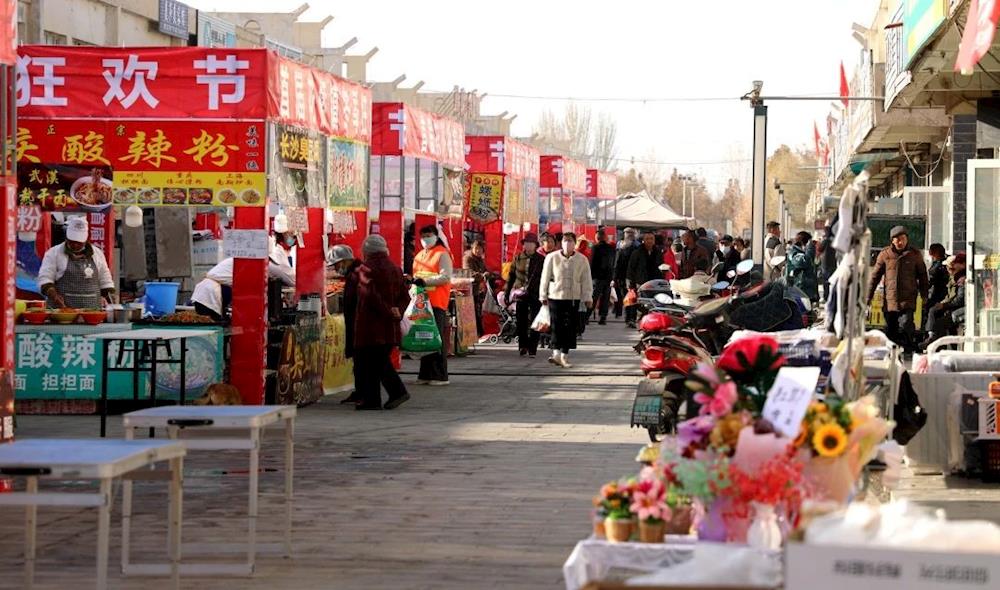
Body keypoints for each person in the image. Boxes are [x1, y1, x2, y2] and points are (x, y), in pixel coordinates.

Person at [353, 235, 411, 410]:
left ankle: (395, 393)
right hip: (390, 326)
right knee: (377, 361)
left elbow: (369, 295)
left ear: (367, 251)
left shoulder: (365, 269)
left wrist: (387, 311)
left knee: (374, 362)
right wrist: (397, 310)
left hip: (370, 325)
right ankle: (374, 400)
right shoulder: (395, 269)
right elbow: (405, 296)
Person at [867, 225, 928, 354]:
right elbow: (875, 277)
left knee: (906, 325)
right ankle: (892, 354)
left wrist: (924, 295)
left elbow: (923, 276)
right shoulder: (885, 254)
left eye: (903, 239)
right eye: (898, 239)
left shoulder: (914, 255)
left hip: (908, 299)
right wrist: (868, 297)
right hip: (890, 300)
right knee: (890, 330)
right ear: (892, 241)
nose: (901, 242)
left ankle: (908, 352)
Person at [191, 248, 296, 322]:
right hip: (209, 296)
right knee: (212, 329)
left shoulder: (242, 260)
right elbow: (291, 280)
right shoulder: (256, 263)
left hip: (206, 293)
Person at [38, 216, 115, 309]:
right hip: (62, 310)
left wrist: (110, 298)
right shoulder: (54, 253)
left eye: (79, 242)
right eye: (72, 241)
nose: (75, 245)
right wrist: (54, 296)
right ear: (66, 237)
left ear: (86, 239)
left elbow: (105, 279)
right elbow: (45, 279)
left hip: (92, 311)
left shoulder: (97, 254)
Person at [540, 232, 592, 368]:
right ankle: (556, 353)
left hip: (573, 297)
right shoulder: (552, 257)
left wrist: (587, 297)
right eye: (565, 240)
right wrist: (543, 295)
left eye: (570, 241)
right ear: (561, 243)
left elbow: (586, 279)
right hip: (555, 296)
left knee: (570, 327)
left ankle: (564, 355)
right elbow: (545, 277)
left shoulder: (582, 259)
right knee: (556, 325)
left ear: (575, 243)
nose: (567, 243)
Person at [413, 224, 453, 386]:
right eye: (423, 236)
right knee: (424, 338)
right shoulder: (420, 255)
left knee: (436, 339)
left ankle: (439, 375)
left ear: (436, 236)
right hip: (421, 303)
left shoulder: (442, 254)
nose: (425, 239)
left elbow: (445, 277)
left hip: (436, 302)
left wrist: (424, 281)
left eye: (428, 235)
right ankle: (425, 374)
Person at [331, 245, 365, 405]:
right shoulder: (354, 273)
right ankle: (360, 392)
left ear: (344, 261)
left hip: (361, 323)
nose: (336, 269)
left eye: (336, 265)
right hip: (356, 322)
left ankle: (365, 394)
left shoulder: (357, 274)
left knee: (363, 361)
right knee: (359, 361)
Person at [506, 233, 545, 357]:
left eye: (531, 243)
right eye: (526, 243)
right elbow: (511, 276)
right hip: (520, 293)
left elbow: (545, 277)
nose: (528, 245)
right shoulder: (518, 258)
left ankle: (533, 347)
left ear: (535, 245)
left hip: (535, 293)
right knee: (521, 320)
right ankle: (523, 345)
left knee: (535, 320)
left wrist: (545, 294)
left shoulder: (541, 259)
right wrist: (507, 293)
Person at [922, 251, 966, 348]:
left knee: (941, 322)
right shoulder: (956, 277)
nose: (950, 270)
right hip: (954, 306)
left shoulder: (961, 279)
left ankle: (936, 343)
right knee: (936, 314)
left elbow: (959, 299)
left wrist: (945, 305)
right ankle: (933, 339)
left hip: (961, 308)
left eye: (952, 267)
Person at [626, 232, 663, 327]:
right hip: (640, 282)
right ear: (643, 240)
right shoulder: (637, 252)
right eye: (647, 239)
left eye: (651, 239)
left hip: (654, 282)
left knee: (652, 302)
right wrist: (630, 283)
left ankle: (649, 320)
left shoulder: (658, 252)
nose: (649, 241)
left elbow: (661, 266)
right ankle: (632, 319)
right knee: (637, 302)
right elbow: (631, 268)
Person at [590, 230, 617, 325]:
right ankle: (603, 317)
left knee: (594, 297)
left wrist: (590, 276)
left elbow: (592, 263)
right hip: (608, 277)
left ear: (597, 238)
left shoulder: (595, 247)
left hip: (597, 277)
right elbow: (614, 263)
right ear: (605, 237)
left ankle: (587, 316)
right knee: (605, 298)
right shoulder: (611, 248)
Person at [463, 239, 489, 337]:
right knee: (473, 311)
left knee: (477, 311)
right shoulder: (467, 258)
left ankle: (479, 332)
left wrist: (488, 274)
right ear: (472, 248)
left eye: (480, 249)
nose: (478, 251)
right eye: (476, 248)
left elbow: (485, 270)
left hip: (477, 290)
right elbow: (468, 272)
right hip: (469, 289)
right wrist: (482, 276)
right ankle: (477, 332)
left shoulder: (480, 259)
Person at [614, 228, 640, 321]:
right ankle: (628, 317)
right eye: (627, 233)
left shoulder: (637, 246)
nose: (629, 234)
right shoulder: (620, 246)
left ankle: (631, 317)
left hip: (633, 276)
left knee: (633, 296)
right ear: (624, 234)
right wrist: (615, 277)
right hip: (622, 276)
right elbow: (617, 263)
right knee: (626, 296)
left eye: (631, 233)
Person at [786, 231, 819, 303]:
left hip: (806, 291)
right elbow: (803, 262)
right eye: (809, 242)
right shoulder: (794, 252)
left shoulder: (804, 252)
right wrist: (810, 249)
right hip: (799, 290)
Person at [925, 243, 949, 329]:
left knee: (930, 310)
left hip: (937, 294)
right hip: (944, 293)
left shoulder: (937, 266)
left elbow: (930, 281)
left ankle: (930, 332)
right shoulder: (946, 262)